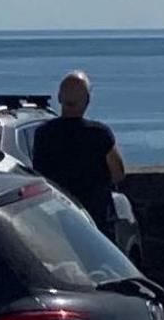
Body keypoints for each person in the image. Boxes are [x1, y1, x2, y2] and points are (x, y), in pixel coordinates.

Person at [29, 70, 126, 232]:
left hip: (58, 216)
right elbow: (118, 173)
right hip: (95, 220)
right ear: (87, 101)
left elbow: (39, 174)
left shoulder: (43, 134)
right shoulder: (100, 134)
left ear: (60, 98)